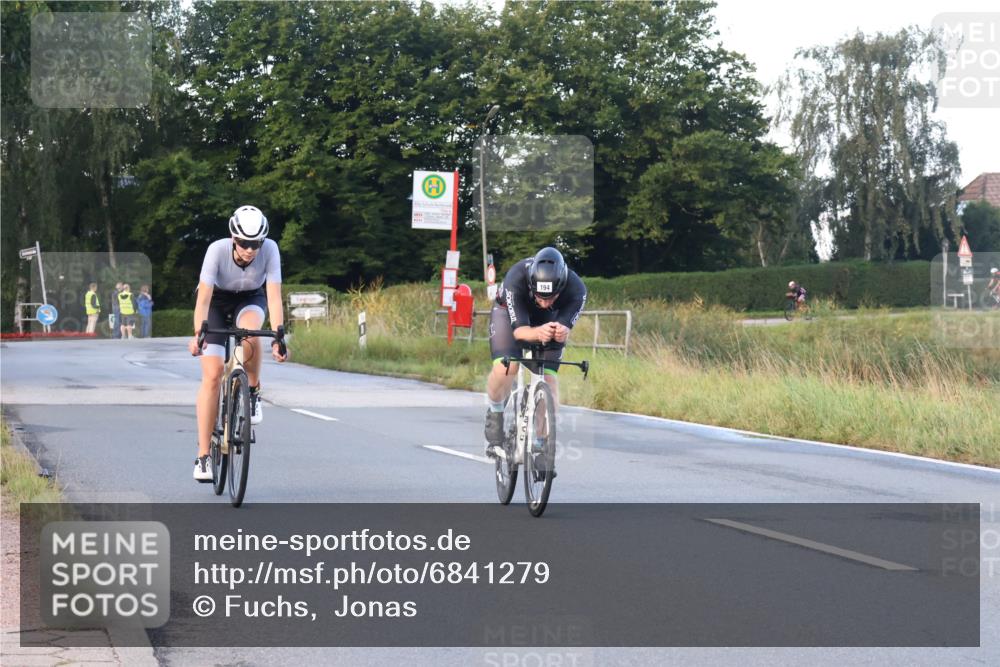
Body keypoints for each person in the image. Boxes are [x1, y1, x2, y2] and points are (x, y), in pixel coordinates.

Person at [188, 205, 289, 481]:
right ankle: (204, 455)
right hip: (217, 302)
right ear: (234, 238)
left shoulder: (270, 250)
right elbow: (204, 298)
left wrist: (279, 336)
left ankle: (253, 390)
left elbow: (275, 296)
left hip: (250, 298)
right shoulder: (216, 250)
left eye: (256, 243)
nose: (250, 249)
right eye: (245, 243)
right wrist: (199, 334)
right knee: (212, 375)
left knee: (252, 331)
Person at [484, 247, 587, 458]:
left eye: (551, 297)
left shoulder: (577, 289)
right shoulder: (516, 278)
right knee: (508, 366)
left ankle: (542, 443)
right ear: (532, 285)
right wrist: (537, 332)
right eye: (540, 296)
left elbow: (566, 325)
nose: (545, 302)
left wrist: (563, 330)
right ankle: (495, 413)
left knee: (549, 379)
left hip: (549, 320)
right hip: (510, 316)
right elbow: (520, 331)